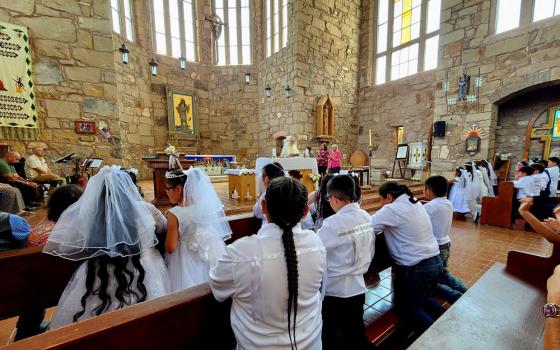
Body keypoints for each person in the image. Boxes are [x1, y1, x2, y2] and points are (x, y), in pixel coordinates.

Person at [44, 166, 170, 328]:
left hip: (101, 270)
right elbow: (163, 228)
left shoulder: (90, 215)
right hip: (145, 267)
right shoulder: (147, 209)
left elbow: (73, 240)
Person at [210, 177, 326, 350]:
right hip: (310, 344)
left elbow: (218, 288)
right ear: (305, 212)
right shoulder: (316, 244)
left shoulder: (240, 252)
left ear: (263, 207)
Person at [372, 182, 443, 331]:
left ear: (389, 197)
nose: (380, 203)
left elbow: (369, 227)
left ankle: (437, 338)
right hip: (434, 260)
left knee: (406, 308)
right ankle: (448, 323)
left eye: (381, 199)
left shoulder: (392, 209)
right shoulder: (414, 202)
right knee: (423, 300)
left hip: (415, 268)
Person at [317, 175, 374, 350]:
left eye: (328, 198)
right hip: (357, 288)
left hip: (336, 293)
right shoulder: (366, 216)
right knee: (355, 335)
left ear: (333, 198)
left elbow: (315, 248)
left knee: (327, 337)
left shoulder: (333, 223)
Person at [164, 168, 230, 292]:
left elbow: (170, 248)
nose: (166, 192)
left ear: (178, 189)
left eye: (167, 189)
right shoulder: (206, 208)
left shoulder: (175, 214)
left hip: (185, 263)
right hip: (209, 258)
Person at [423, 176, 468, 303]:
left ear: (429, 191)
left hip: (435, 247)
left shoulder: (429, 207)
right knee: (443, 273)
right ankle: (466, 291)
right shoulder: (448, 203)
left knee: (432, 280)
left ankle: (455, 297)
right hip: (446, 244)